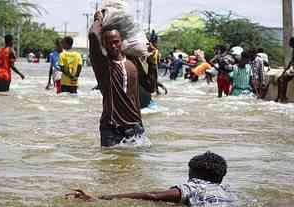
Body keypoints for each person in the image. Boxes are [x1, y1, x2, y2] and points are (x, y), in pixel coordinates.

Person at [66, 151, 234, 206]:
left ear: (192, 175)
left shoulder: (195, 186)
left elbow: (151, 195)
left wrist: (100, 198)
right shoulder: (226, 192)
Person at [89, 11, 145, 147]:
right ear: (104, 44)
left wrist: (154, 64)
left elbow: (150, 86)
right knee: (110, 166)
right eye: (109, 43)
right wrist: (98, 20)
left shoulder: (133, 62)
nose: (113, 46)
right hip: (112, 129)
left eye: (116, 42)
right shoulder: (103, 64)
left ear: (122, 42)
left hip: (136, 127)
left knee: (135, 168)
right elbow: (92, 35)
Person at [276, 37, 294, 103]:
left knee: (283, 79)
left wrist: (290, 68)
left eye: (290, 42)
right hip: (291, 69)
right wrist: (286, 69)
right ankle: (280, 96)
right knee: (280, 79)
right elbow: (291, 62)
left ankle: (283, 97)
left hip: (293, 69)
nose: (289, 44)